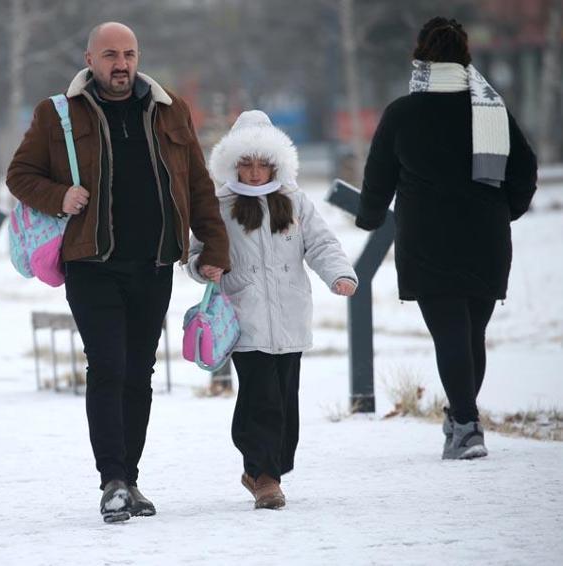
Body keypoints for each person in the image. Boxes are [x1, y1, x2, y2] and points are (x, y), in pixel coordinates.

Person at [6, 22, 230, 523]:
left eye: (128, 53)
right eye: (110, 54)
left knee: (139, 372)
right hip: (92, 263)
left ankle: (129, 478)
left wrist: (214, 244)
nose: (121, 64)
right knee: (108, 365)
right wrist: (58, 196)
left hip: (153, 264)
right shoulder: (58, 113)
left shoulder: (170, 109)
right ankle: (111, 481)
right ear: (90, 58)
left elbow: (197, 184)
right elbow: (19, 175)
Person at [356, 17, 537, 460]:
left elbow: (378, 175)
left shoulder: (402, 113)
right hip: (486, 239)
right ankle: (461, 419)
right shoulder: (490, 110)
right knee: (472, 333)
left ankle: (467, 424)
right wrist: (504, 211)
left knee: (452, 335)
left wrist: (370, 217)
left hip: (427, 239)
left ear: (420, 58)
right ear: (465, 58)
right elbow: (525, 170)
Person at [187, 110, 358, 509]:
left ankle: (267, 469)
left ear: (278, 163)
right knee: (261, 397)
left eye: (263, 164)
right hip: (244, 321)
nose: (254, 173)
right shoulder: (221, 205)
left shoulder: (295, 202)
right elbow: (196, 252)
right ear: (232, 164)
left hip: (290, 318)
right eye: (245, 164)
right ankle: (265, 476)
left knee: (284, 399)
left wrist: (339, 275)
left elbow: (321, 244)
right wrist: (203, 266)